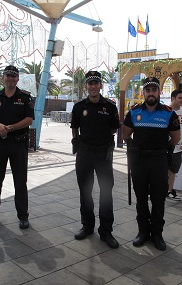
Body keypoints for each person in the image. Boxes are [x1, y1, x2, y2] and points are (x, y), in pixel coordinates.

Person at [122, 77, 180, 251]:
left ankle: (157, 234)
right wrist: (137, 148)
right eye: (148, 90)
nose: (151, 93)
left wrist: (161, 149)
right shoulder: (133, 112)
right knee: (141, 199)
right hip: (139, 161)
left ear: (159, 92)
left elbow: (175, 138)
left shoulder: (169, 113)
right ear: (143, 93)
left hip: (159, 162)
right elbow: (125, 135)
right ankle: (142, 232)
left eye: (154, 90)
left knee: (158, 199)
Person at [70, 71, 120, 249]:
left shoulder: (110, 107)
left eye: (96, 83)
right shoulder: (78, 107)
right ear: (86, 86)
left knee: (106, 193)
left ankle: (106, 231)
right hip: (84, 153)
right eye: (90, 83)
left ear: (100, 86)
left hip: (103, 155)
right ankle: (87, 226)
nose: (93, 86)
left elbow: (114, 129)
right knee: (85, 191)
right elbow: (74, 127)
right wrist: (77, 141)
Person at [0, 65, 34, 229]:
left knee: (20, 182)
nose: (11, 79)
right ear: (3, 78)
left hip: (18, 145)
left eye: (14, 76)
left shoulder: (25, 98)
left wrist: (11, 127)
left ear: (17, 79)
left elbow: (29, 120)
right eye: (8, 76)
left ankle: (23, 216)